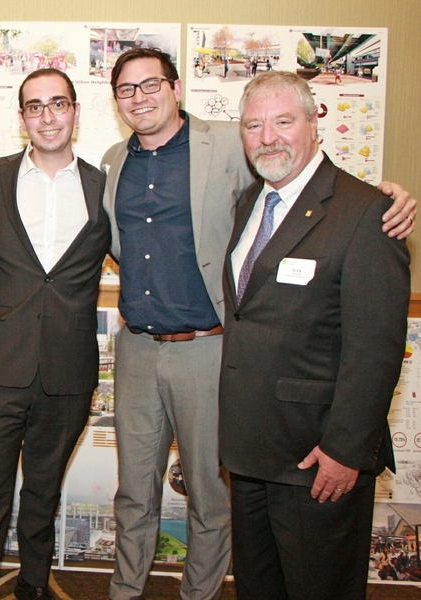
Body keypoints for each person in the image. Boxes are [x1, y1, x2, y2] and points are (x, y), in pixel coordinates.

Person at [100, 48, 415, 600]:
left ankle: (196, 595)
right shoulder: (112, 160)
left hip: (209, 350)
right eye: (127, 89)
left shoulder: (227, 142)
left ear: (176, 88)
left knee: (209, 495)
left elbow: (312, 186)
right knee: (136, 493)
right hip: (139, 350)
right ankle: (125, 592)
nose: (140, 97)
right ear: (116, 100)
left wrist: (388, 195)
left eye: (152, 84)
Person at [220, 70, 411, 599]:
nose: (268, 136)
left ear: (313, 125)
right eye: (254, 125)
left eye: (283, 121)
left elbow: (375, 348)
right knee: (260, 587)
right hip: (251, 449)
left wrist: (347, 449)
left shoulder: (366, 212)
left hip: (316, 456)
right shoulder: (249, 205)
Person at [0, 68, 111, 600]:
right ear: (21, 117)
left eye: (58, 104)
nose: (47, 116)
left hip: (67, 370)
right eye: (35, 106)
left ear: (74, 112)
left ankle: (34, 588)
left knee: (43, 495)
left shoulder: (103, 186)